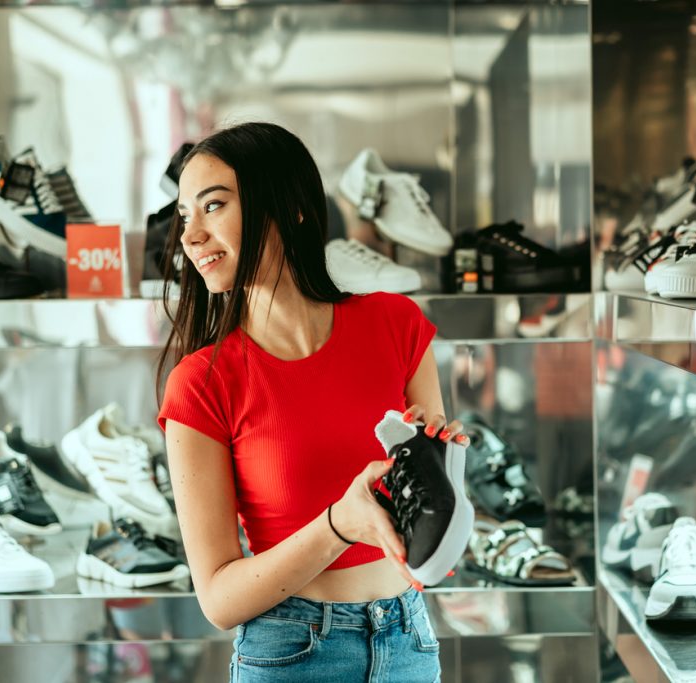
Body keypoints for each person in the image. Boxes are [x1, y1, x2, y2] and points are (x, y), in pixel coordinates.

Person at [155, 122, 467, 682]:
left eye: (213, 206)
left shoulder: (397, 325)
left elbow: (430, 540)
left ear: (291, 206)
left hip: (410, 641)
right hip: (290, 652)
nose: (190, 236)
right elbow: (219, 598)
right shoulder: (202, 383)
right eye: (184, 216)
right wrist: (339, 525)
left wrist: (439, 469)